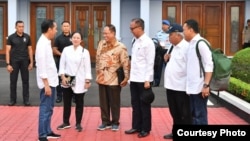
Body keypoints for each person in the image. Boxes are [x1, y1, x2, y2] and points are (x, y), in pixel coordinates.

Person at [95, 24, 130, 131]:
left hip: (114, 78)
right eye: (103, 33)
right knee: (103, 102)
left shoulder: (121, 47)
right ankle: (105, 121)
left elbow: (125, 63)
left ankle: (115, 121)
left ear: (113, 33)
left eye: (106, 33)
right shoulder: (101, 43)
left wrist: (126, 77)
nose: (104, 35)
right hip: (102, 78)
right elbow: (97, 59)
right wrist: (98, 74)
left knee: (114, 102)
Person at [124, 18, 155, 138]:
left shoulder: (148, 42)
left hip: (144, 79)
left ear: (140, 28)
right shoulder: (134, 41)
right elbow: (134, 60)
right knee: (135, 104)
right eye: (130, 28)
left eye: (132, 28)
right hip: (134, 78)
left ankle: (145, 128)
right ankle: (136, 126)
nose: (131, 31)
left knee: (144, 104)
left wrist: (148, 79)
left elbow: (150, 62)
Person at [57, 31, 92, 132]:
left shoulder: (85, 52)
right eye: (74, 37)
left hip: (80, 79)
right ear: (71, 39)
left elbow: (88, 68)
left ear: (81, 40)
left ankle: (78, 123)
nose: (76, 39)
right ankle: (66, 122)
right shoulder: (66, 50)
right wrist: (63, 77)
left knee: (79, 102)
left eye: (78, 38)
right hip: (68, 77)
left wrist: (87, 80)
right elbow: (62, 64)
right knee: (67, 102)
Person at [163, 23, 192, 139]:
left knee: (184, 113)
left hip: (181, 86)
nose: (168, 38)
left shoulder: (186, 48)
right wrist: (167, 59)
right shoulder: (173, 47)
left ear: (178, 35)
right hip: (171, 85)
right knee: (174, 111)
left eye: (170, 35)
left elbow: (190, 68)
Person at [183, 19, 213, 125]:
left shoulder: (201, 43)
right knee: (193, 116)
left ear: (191, 30)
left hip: (200, 87)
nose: (183, 33)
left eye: (184, 30)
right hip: (191, 87)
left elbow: (209, 64)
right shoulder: (190, 44)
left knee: (199, 116)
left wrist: (206, 85)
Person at [35, 19, 61, 141]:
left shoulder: (47, 42)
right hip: (47, 83)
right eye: (55, 28)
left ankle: (48, 131)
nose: (56, 31)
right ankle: (42, 135)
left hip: (52, 81)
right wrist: (46, 84)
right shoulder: (41, 44)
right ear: (49, 29)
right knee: (45, 109)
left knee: (49, 109)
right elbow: (41, 66)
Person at [6, 20, 33, 106]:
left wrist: (31, 62)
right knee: (13, 81)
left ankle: (26, 100)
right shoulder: (11, 37)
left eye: (22, 26)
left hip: (25, 61)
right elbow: (7, 51)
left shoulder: (27, 37)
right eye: (19, 26)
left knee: (25, 81)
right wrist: (8, 64)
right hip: (14, 62)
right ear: (16, 27)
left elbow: (30, 50)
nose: (21, 28)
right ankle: (12, 100)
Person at [53, 21, 72, 103]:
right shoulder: (58, 38)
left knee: (71, 77)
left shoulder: (73, 37)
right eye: (64, 26)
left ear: (70, 27)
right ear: (62, 27)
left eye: (67, 26)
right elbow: (54, 50)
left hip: (71, 62)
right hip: (60, 61)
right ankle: (59, 96)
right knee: (60, 78)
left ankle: (73, 96)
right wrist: (63, 55)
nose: (66, 27)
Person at [153, 20, 171, 87]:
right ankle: (156, 82)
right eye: (163, 24)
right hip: (160, 51)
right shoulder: (158, 33)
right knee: (158, 67)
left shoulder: (171, 33)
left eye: (165, 24)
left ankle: (169, 83)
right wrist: (155, 43)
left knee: (169, 68)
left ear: (168, 26)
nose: (163, 26)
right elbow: (155, 40)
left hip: (168, 51)